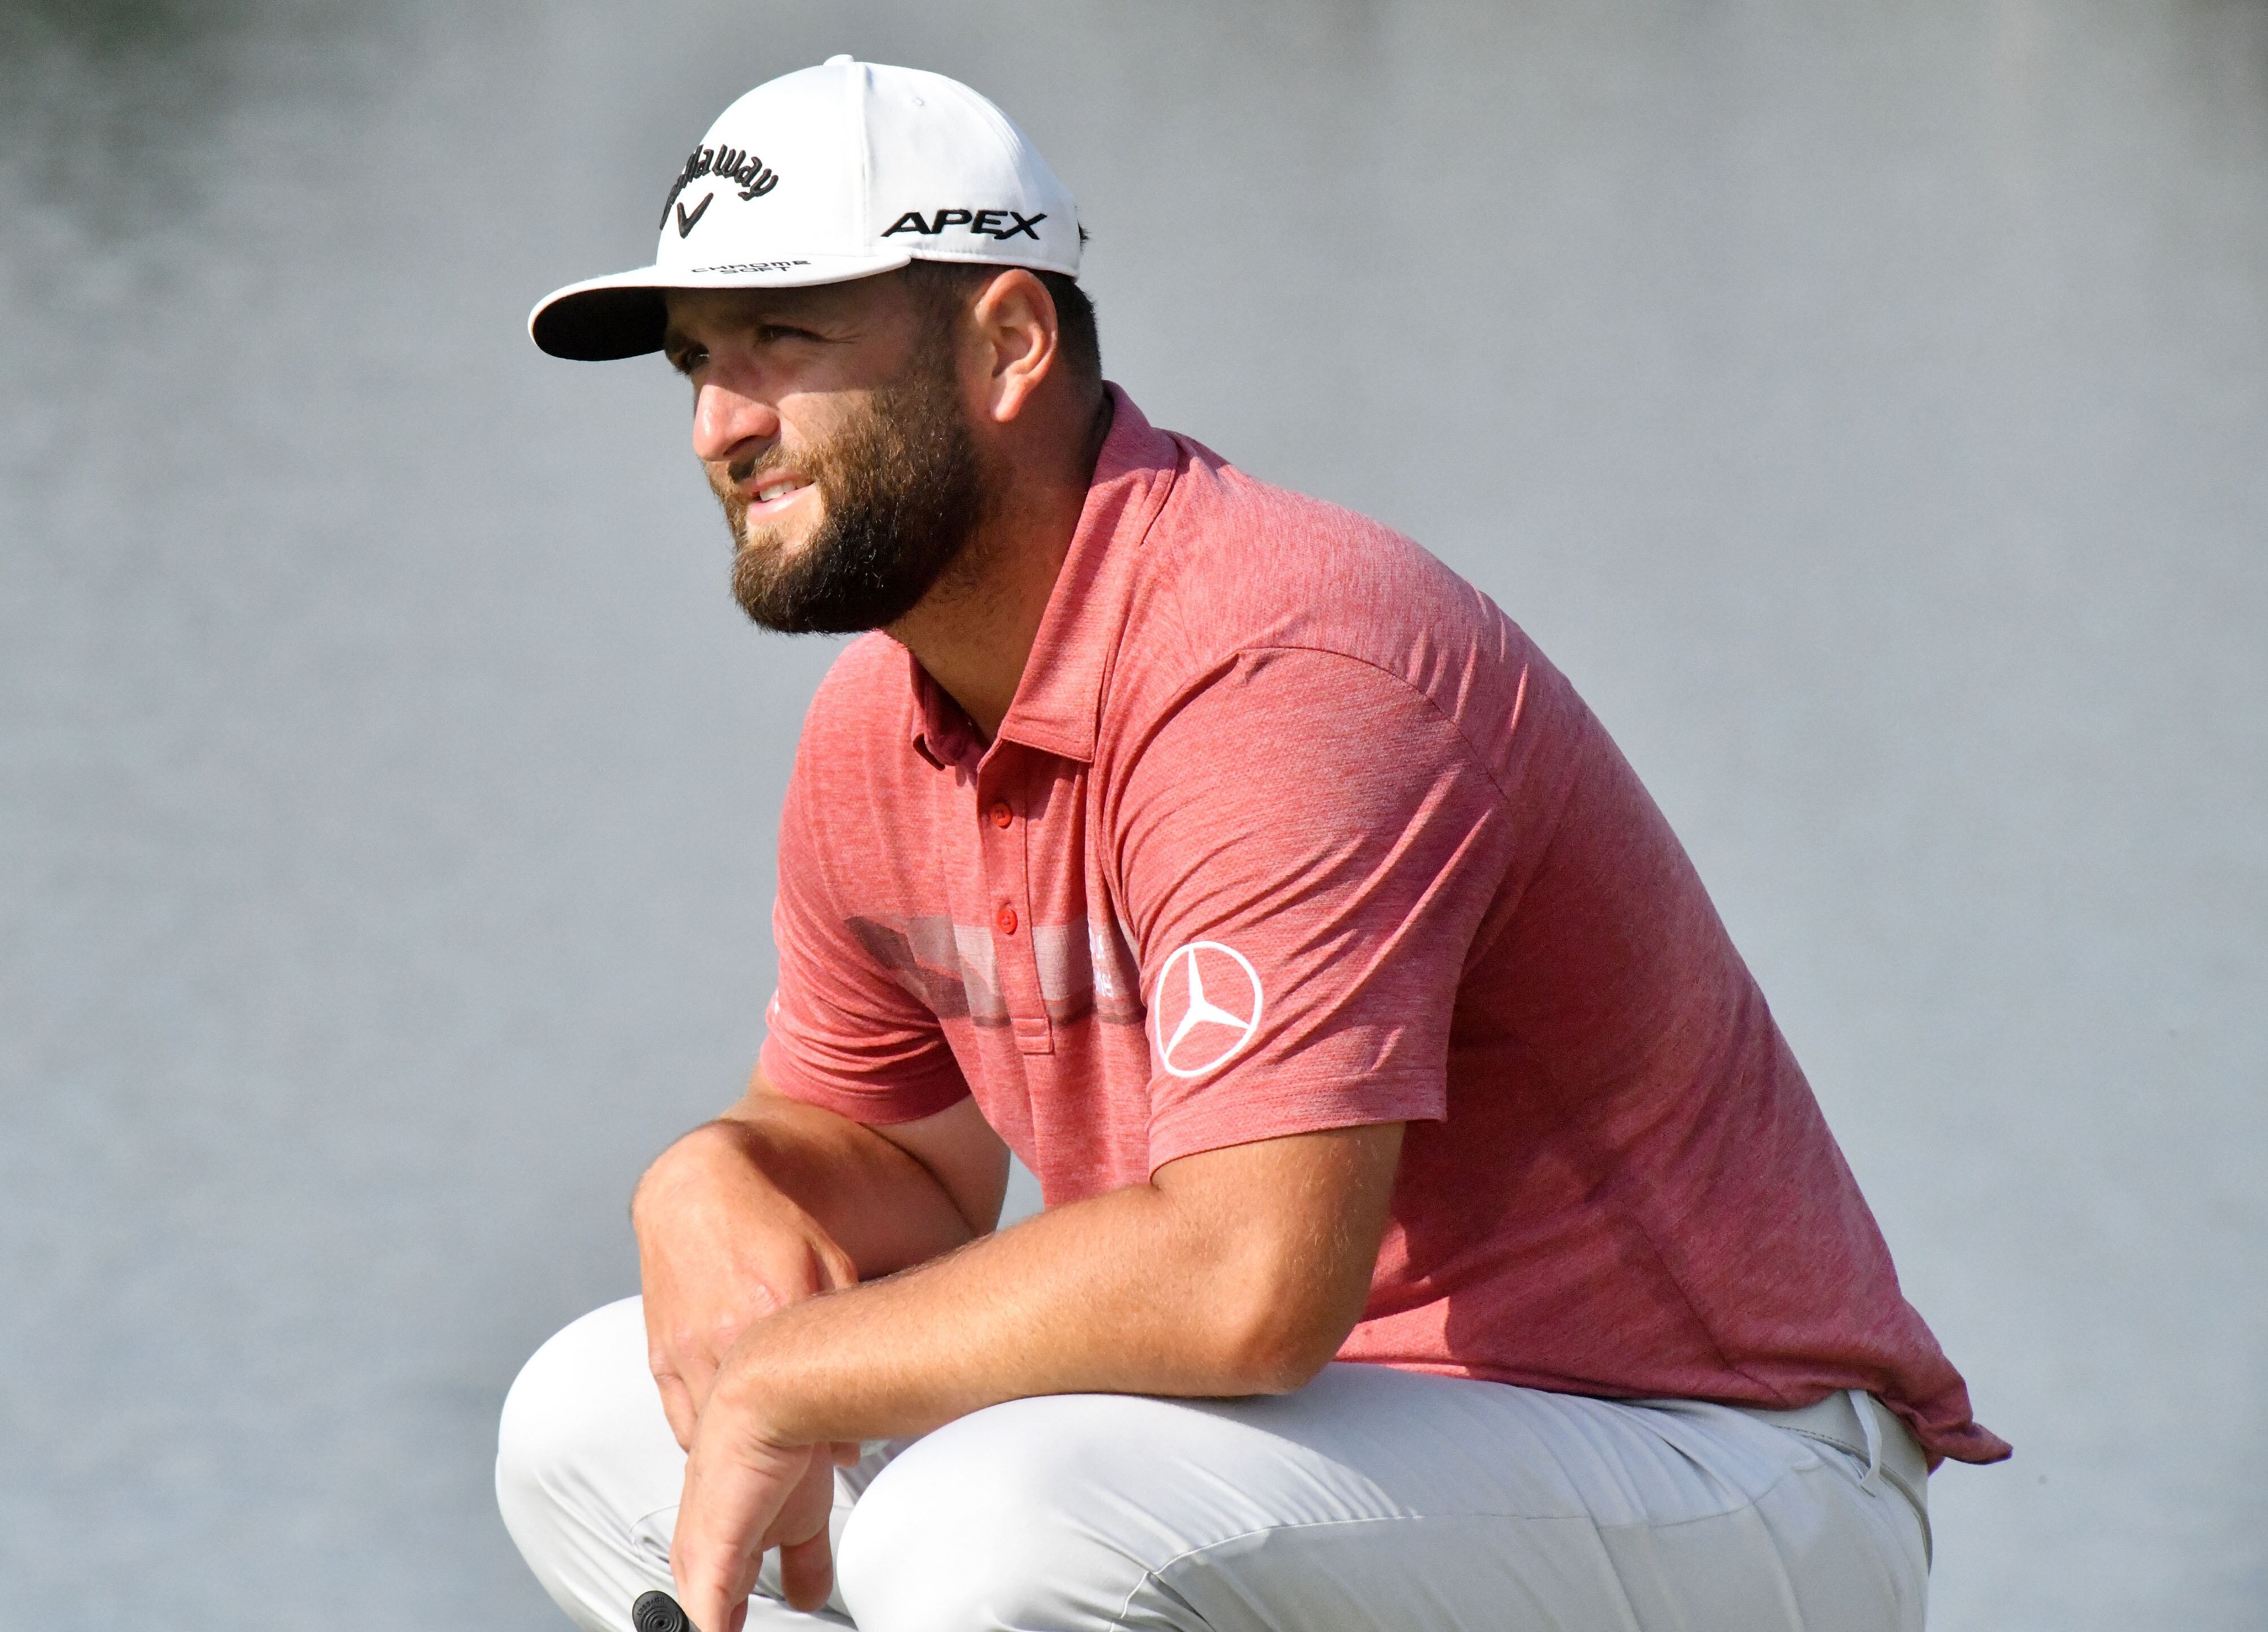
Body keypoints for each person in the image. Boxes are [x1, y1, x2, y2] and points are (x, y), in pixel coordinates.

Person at [496, 55, 2008, 1632]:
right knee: (588, 1415)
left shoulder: (1278, 664)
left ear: (1005, 343)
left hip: (1717, 1466)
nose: (716, 428)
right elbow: (900, 1174)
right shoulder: (881, 723)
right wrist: (705, 1179)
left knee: (992, 1526)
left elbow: (1246, 1285)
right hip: (1315, 1467)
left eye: (783, 341)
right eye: (693, 362)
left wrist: (797, 1368)